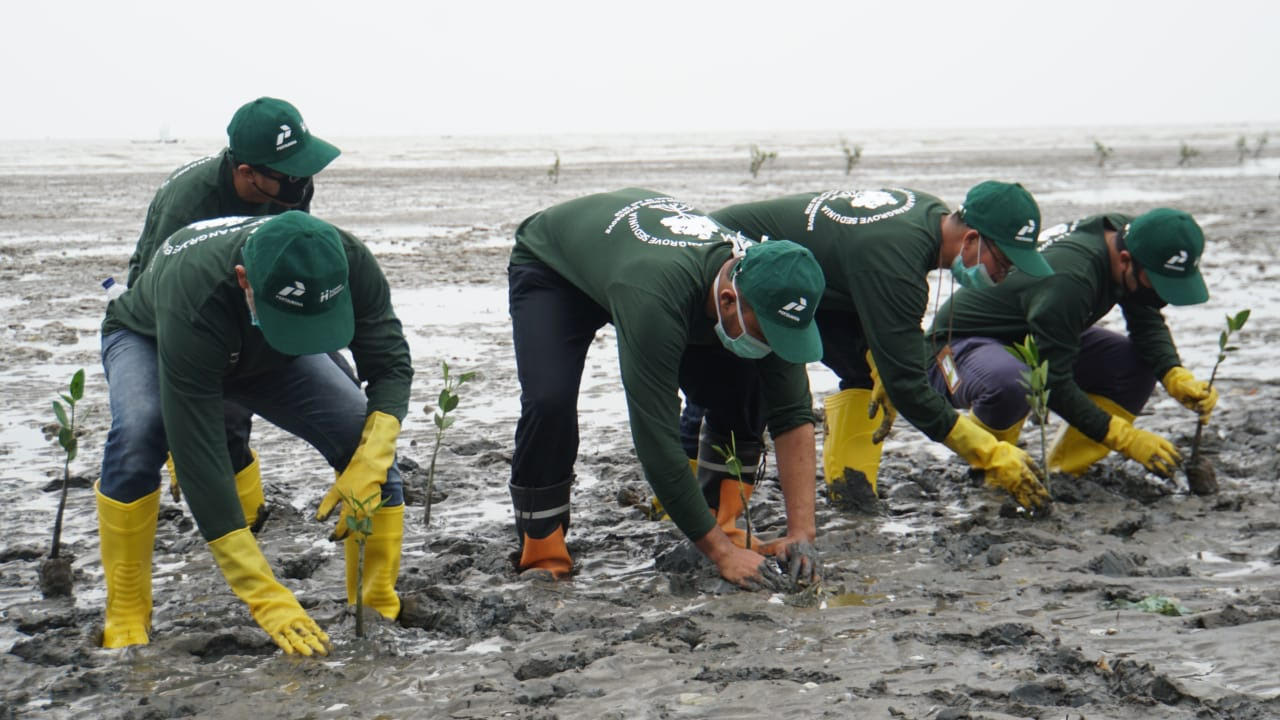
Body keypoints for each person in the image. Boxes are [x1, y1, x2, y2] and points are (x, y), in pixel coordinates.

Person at [97, 211, 412, 654]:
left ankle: (375, 604)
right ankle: (127, 608)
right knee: (139, 436)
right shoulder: (196, 293)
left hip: (267, 348)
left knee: (362, 436)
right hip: (154, 338)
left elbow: (391, 364)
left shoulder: (344, 259)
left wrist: (372, 458)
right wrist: (265, 595)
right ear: (244, 279)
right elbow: (201, 461)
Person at [507, 188, 826, 589]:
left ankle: (724, 523)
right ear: (728, 300)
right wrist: (722, 557)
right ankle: (543, 550)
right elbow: (656, 440)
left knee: (747, 386)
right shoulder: (655, 297)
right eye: (767, 334)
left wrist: (802, 533)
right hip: (555, 266)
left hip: (637, 267)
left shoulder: (773, 290)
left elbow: (793, 414)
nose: (774, 345)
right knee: (549, 401)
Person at [701, 183, 1055, 513]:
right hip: (729, 260)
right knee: (732, 390)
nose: (1003, 276)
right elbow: (910, 390)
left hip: (815, 280)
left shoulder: (931, 217)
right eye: (1003, 263)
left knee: (863, 370)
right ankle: (696, 509)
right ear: (972, 238)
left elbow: (869, 296)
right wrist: (990, 454)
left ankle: (850, 491)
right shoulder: (897, 258)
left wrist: (879, 360)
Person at [125, 97, 342, 529]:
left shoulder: (292, 184)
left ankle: (357, 490)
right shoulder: (189, 203)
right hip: (182, 306)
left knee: (341, 379)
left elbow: (293, 251)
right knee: (223, 414)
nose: (301, 181)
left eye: (303, 169)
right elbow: (162, 297)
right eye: (289, 174)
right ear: (246, 172)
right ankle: (244, 520)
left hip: (257, 296)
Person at [926, 208, 1215, 479]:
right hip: (951, 352)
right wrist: (1124, 437)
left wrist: (1173, 372)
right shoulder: (1071, 280)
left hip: (1030, 335)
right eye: (1157, 285)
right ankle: (991, 470)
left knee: (1134, 367)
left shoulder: (1132, 238)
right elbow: (1054, 382)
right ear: (1125, 260)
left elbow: (1144, 313)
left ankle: (1063, 474)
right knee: (1011, 383)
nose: (1162, 297)